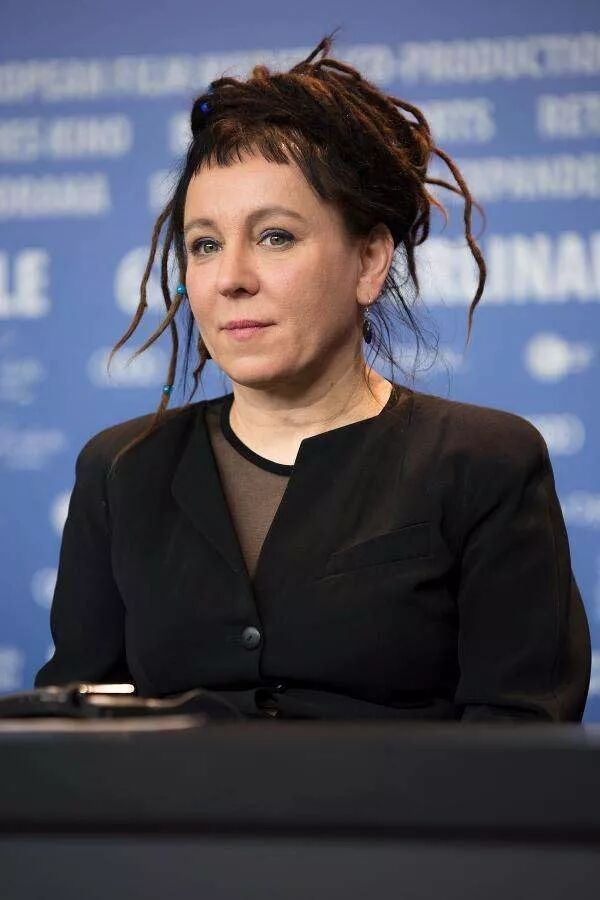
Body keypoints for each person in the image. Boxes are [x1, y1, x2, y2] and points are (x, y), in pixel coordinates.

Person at [34, 31, 591, 721]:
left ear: (369, 261)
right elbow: (75, 730)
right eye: (204, 244)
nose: (232, 278)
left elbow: (520, 740)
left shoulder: (485, 463)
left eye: (276, 237)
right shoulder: (121, 469)